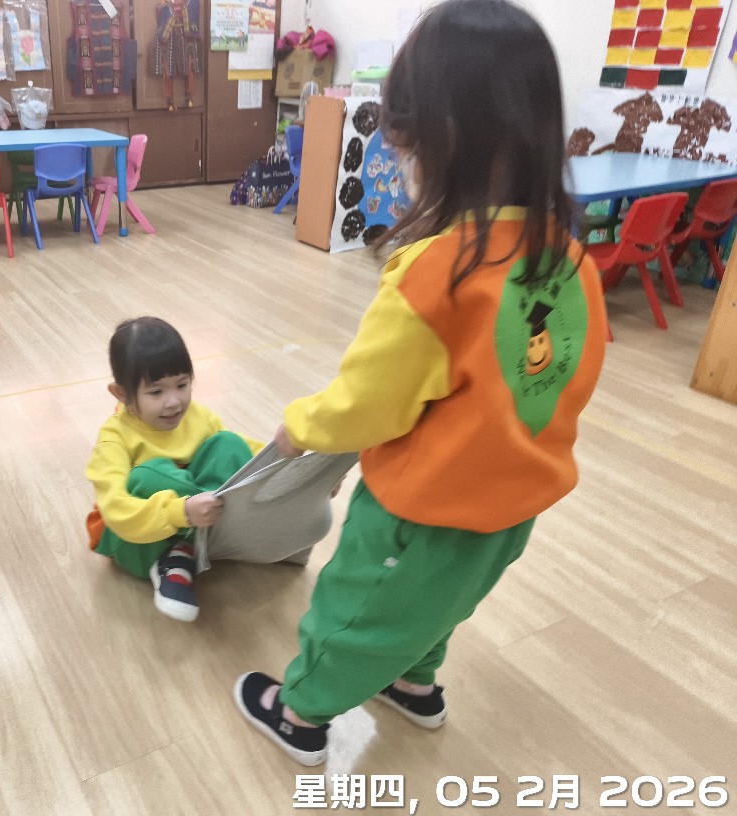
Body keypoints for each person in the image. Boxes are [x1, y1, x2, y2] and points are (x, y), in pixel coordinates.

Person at [233, 0, 608, 766]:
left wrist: (300, 428)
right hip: (515, 505)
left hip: (423, 505)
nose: (400, 168)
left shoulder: (435, 275)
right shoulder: (572, 260)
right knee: (442, 601)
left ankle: (301, 715)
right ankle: (415, 683)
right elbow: (564, 375)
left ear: (446, 140)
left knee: (357, 607)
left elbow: (369, 401)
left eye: (404, 151)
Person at [86, 316, 261, 622]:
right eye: (156, 392)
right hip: (137, 541)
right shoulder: (115, 437)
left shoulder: (197, 416)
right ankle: (178, 555)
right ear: (122, 394)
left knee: (229, 443)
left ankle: (191, 548)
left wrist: (293, 466)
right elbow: (116, 511)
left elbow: (243, 450)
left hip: (195, 519)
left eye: (182, 385)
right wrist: (181, 512)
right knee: (148, 474)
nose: (174, 402)